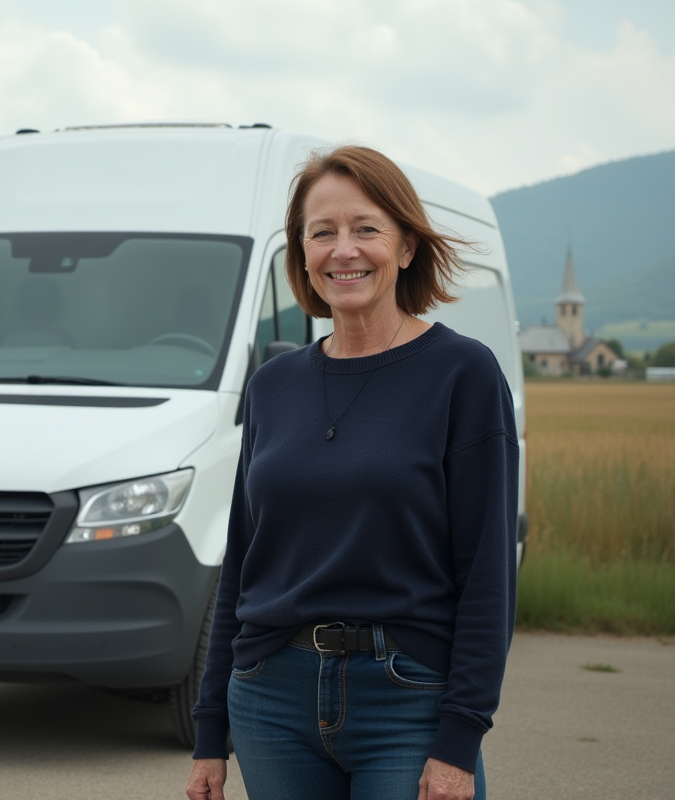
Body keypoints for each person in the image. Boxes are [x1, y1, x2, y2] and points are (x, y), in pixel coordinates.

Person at [185, 145, 518, 800]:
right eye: (323, 232)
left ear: (406, 246)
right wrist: (209, 730)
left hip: (408, 699)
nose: (344, 250)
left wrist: (460, 737)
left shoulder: (464, 374)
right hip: (270, 702)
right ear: (302, 254)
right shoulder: (273, 385)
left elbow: (487, 574)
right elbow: (243, 565)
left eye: (366, 228)